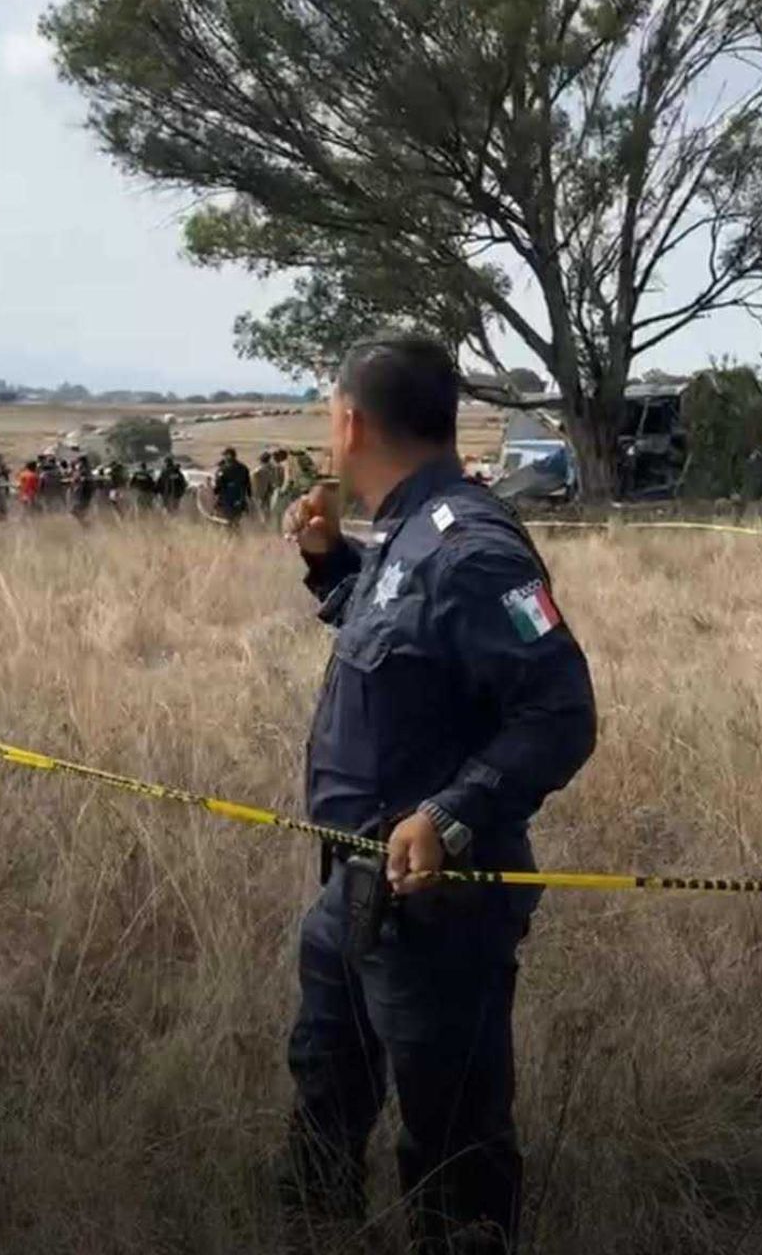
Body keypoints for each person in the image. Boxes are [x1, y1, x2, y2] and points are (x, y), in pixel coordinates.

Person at [278, 337, 596, 1253]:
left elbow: (560, 712)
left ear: (349, 421)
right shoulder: (406, 533)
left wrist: (450, 815)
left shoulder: (471, 548)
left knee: (452, 1136)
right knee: (326, 1086)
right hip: (355, 888)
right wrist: (331, 563)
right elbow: (409, 657)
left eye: (327, 412)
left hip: (437, 908)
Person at [213, 446, 251, 525]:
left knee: (227, 520)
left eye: (225, 455)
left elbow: (219, 483)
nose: (224, 458)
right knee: (236, 519)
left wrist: (215, 493)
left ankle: (232, 535)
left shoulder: (223, 469)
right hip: (240, 496)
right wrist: (248, 495)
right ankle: (236, 534)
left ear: (229, 455)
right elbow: (247, 483)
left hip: (227, 498)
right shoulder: (244, 468)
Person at [251, 449, 281, 520]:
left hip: (260, 491)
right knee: (267, 508)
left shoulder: (259, 469)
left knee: (260, 509)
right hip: (269, 491)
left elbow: (253, 475)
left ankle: (263, 523)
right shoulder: (273, 468)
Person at [68, 455, 95, 521]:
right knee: (80, 510)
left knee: (76, 510)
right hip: (85, 492)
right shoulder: (88, 470)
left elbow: (77, 479)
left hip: (83, 492)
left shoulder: (83, 470)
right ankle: (85, 523)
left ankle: (86, 523)